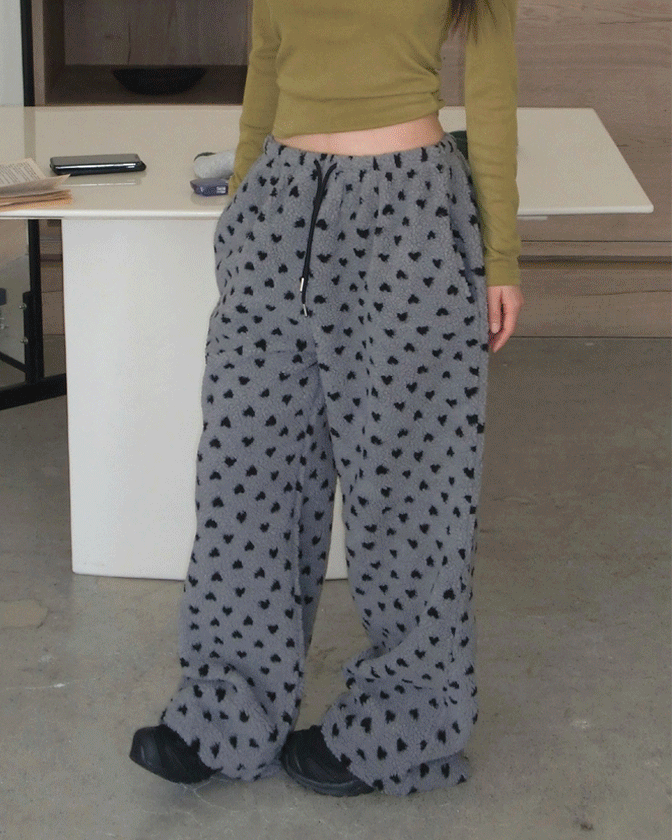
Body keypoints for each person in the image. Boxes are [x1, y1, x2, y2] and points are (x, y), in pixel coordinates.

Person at [130, 0, 524, 796]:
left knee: (409, 484)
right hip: (278, 210)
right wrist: (241, 208)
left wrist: (502, 256)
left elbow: (491, 92)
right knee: (246, 472)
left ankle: (404, 725)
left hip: (409, 215)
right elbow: (266, 74)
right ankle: (226, 711)